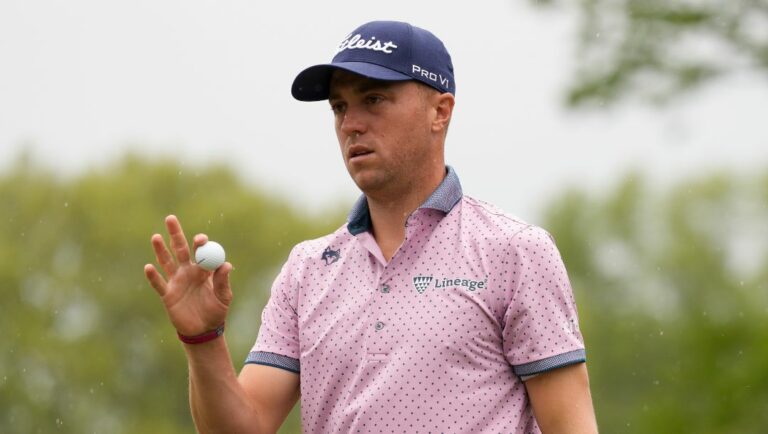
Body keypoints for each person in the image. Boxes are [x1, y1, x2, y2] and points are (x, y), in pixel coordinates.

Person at [144, 20, 598, 434]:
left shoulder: (515, 250)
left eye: (374, 100)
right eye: (339, 107)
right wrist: (202, 341)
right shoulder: (307, 269)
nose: (351, 124)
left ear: (440, 111)